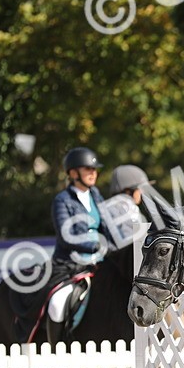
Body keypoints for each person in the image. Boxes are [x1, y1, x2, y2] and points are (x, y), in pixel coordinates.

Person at [45, 146, 118, 342]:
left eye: (94, 169)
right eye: (88, 169)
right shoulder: (62, 200)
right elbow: (66, 237)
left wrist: (116, 245)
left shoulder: (95, 195)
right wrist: (97, 246)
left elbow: (108, 226)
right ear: (73, 173)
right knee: (58, 303)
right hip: (71, 266)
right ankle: (56, 346)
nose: (93, 173)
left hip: (99, 263)